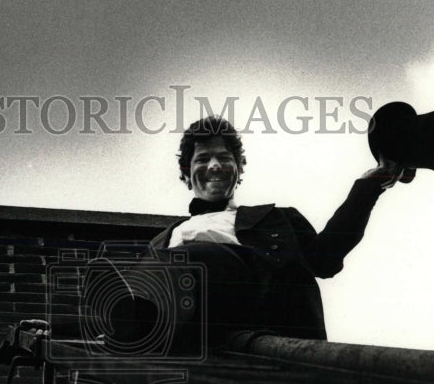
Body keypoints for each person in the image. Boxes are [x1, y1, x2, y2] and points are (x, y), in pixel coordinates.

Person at [147, 115, 410, 344]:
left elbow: (325, 259)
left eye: (224, 158)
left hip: (259, 326)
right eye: (202, 159)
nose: (214, 165)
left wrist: (370, 185)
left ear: (239, 171)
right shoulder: (163, 241)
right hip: (185, 341)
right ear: (185, 173)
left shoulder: (277, 219)